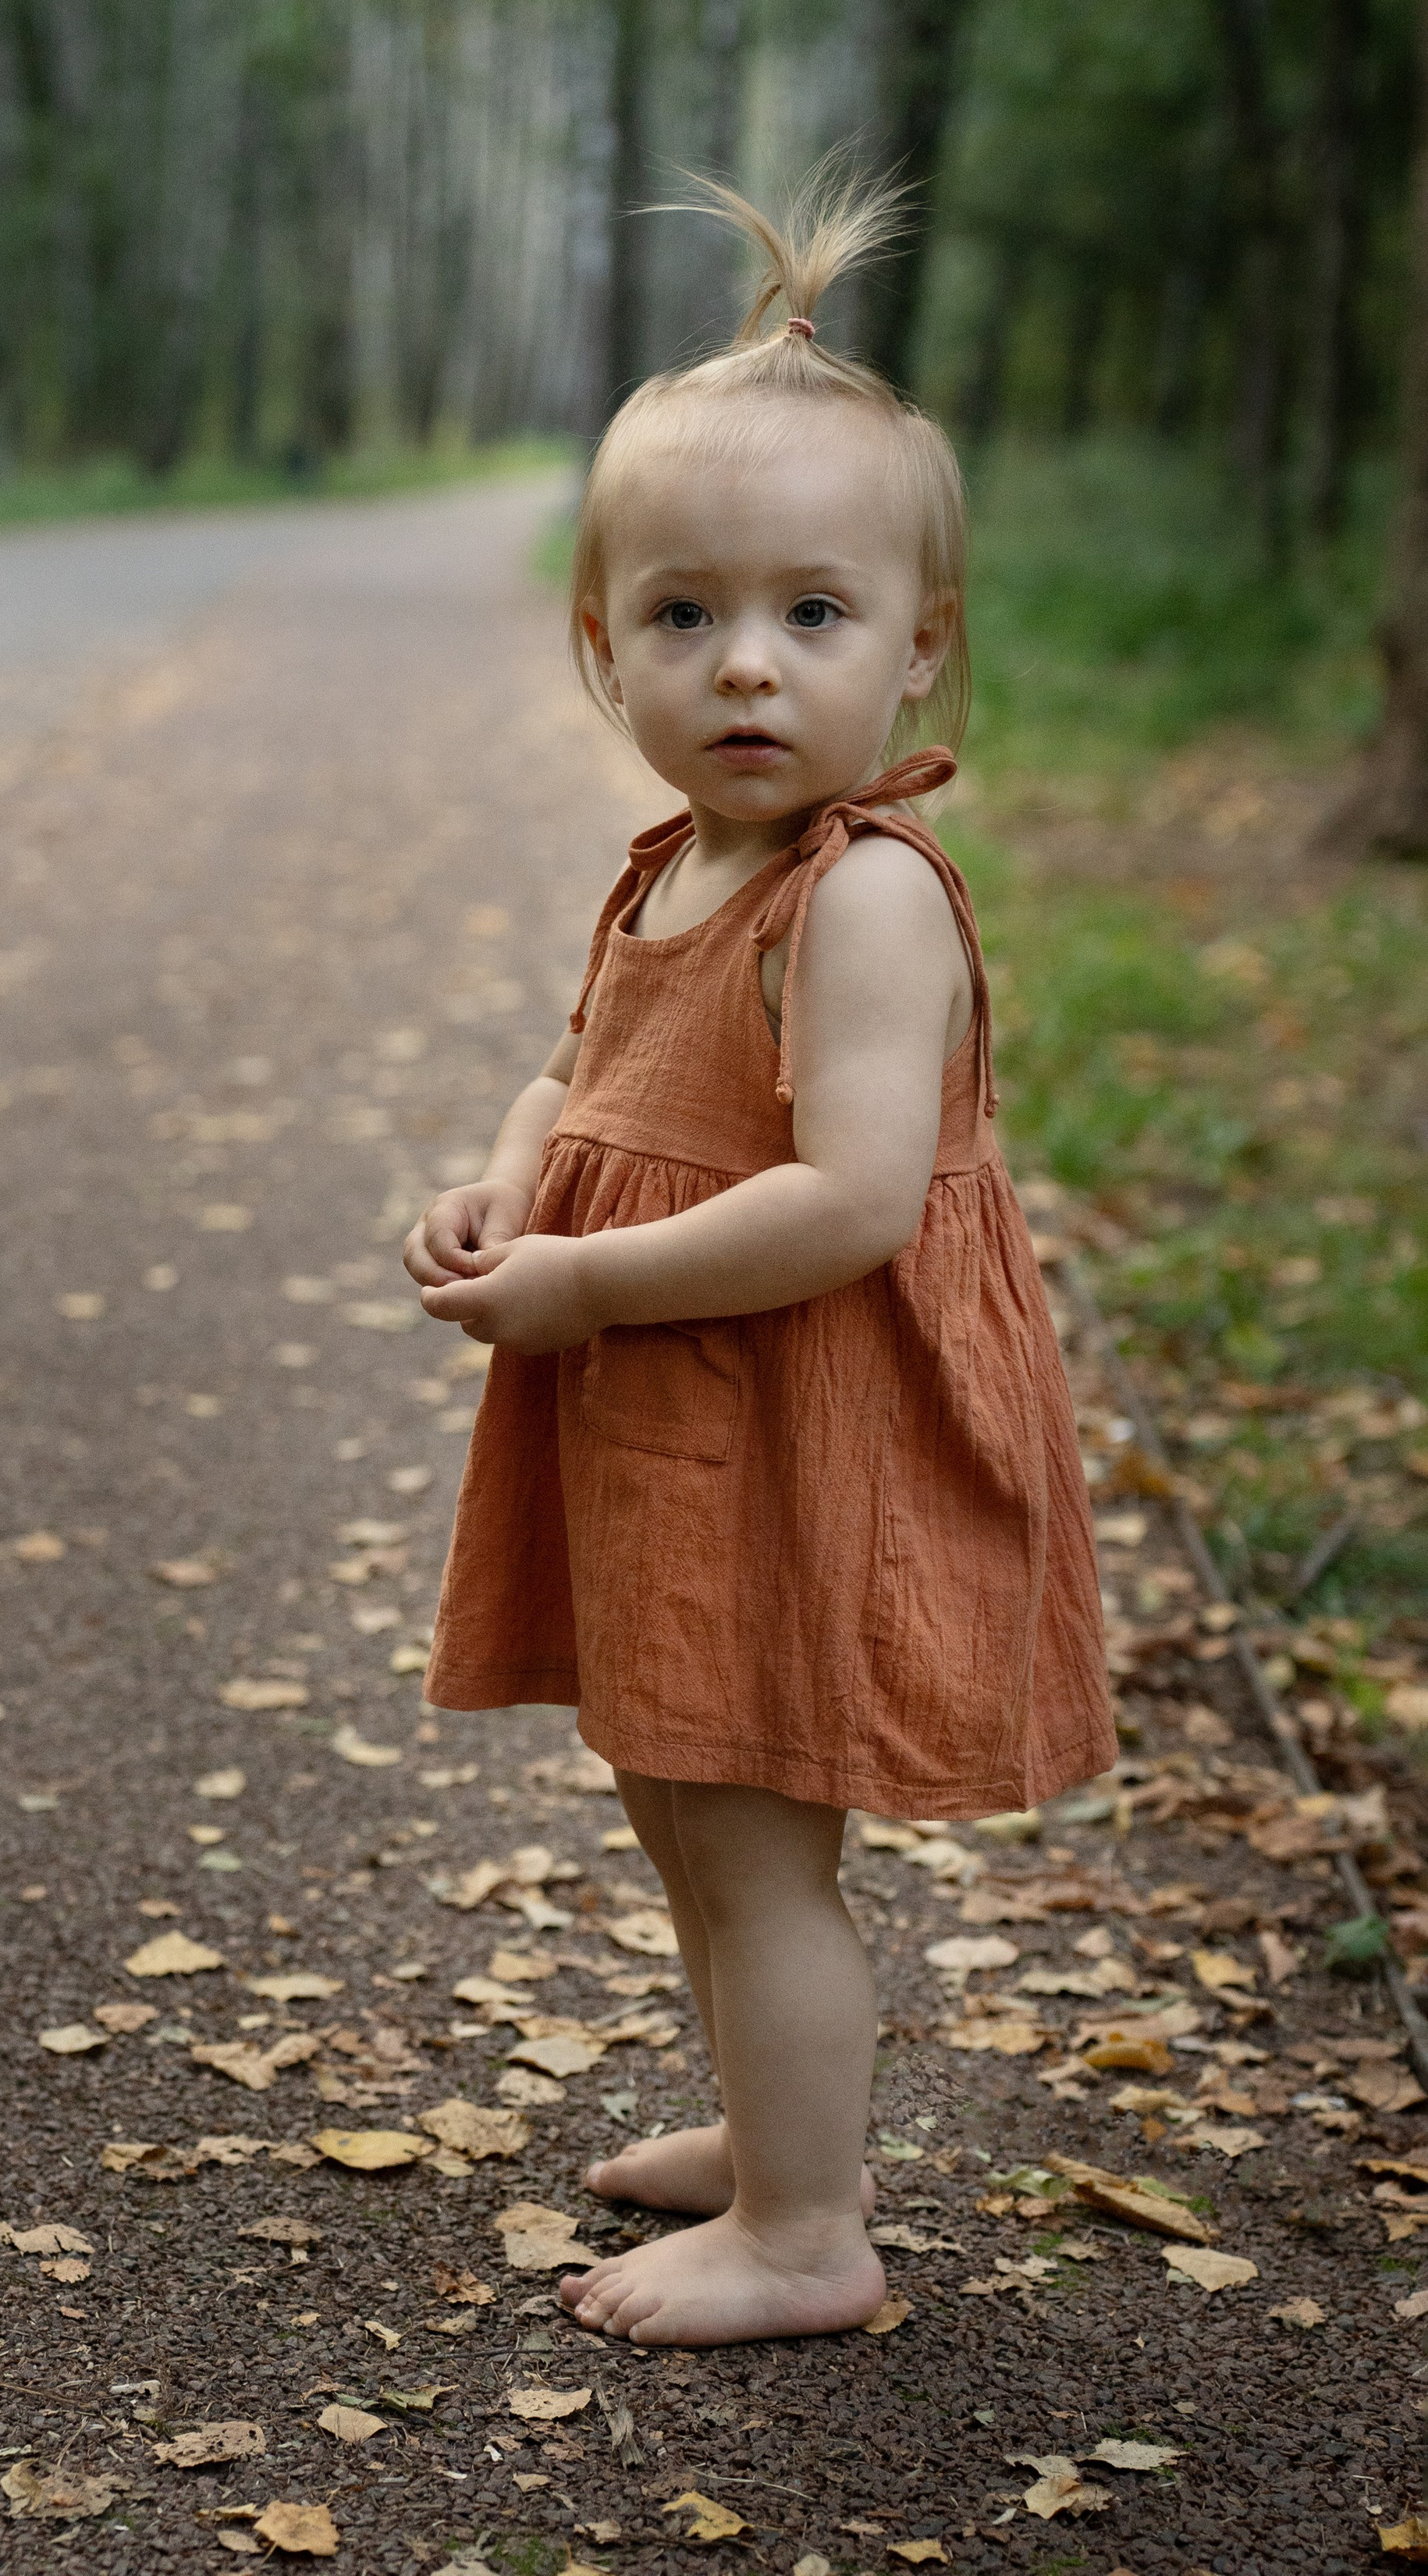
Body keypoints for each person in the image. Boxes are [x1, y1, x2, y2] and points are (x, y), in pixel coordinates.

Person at [403, 169, 1117, 2348]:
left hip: (806, 1420)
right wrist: (508, 1181)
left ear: (921, 645)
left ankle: (810, 2231)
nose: (746, 663)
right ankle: (767, 2117)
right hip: (669, 1413)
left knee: (750, 1830)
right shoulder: (674, 865)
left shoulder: (865, 897)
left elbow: (852, 1204)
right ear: (599, 642)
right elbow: (582, 1075)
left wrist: (590, 1291)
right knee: (670, 1778)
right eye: (689, 613)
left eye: (816, 615)